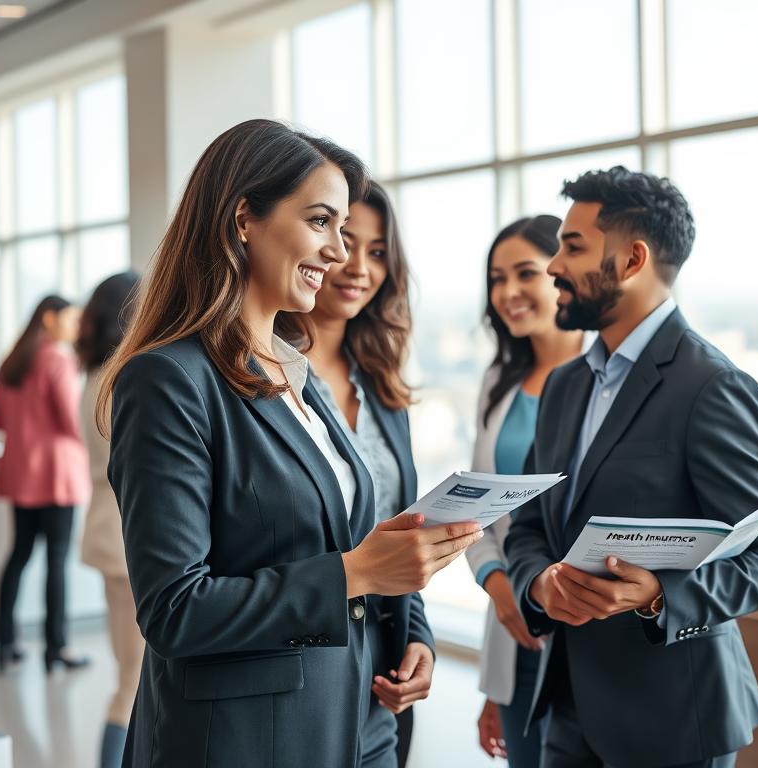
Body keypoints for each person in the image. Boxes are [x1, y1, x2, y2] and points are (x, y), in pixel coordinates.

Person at [102, 120, 483, 768]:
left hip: (359, 720)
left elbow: (346, 539)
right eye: (321, 222)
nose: (339, 252)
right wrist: (359, 572)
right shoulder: (169, 380)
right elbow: (174, 609)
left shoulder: (299, 375)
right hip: (244, 742)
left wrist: (402, 612)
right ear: (244, 218)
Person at [505, 167, 758, 768]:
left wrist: (658, 595)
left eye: (573, 246)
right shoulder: (564, 385)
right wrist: (538, 583)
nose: (555, 264)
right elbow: (529, 526)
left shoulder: (713, 387)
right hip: (567, 708)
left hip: (674, 720)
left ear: (633, 259)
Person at [284, 181, 432, 768]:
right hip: (297, 674)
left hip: (380, 678)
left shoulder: (381, 384)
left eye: (377, 253)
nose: (356, 266)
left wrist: (417, 636)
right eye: (344, 240)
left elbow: (402, 529)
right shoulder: (268, 376)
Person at [465, 215, 583, 766]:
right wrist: (496, 581)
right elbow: (478, 510)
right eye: (496, 278)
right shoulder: (498, 382)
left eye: (524, 274)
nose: (507, 292)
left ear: (560, 274)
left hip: (586, 626)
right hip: (514, 627)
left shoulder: (601, 375)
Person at [0, 295, 91, 674]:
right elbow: (72, 422)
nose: (76, 326)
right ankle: (57, 648)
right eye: (70, 318)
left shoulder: (11, 363)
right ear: (49, 319)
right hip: (57, 476)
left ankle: (5, 643)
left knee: (19, 555)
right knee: (57, 561)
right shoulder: (58, 360)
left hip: (21, 475)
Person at [77, 271, 142, 768]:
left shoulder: (94, 376)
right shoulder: (128, 377)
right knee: (133, 683)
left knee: (128, 673)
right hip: (128, 534)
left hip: (105, 528)